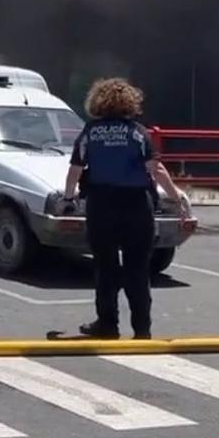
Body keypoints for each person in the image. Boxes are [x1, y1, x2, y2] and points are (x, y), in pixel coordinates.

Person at [62, 77, 185, 341]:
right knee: (138, 270)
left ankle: (107, 325)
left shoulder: (90, 132)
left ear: (97, 102)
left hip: (101, 206)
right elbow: (157, 169)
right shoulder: (138, 133)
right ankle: (142, 330)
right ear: (131, 103)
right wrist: (176, 199)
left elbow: (75, 170)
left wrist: (69, 198)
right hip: (136, 207)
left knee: (105, 268)